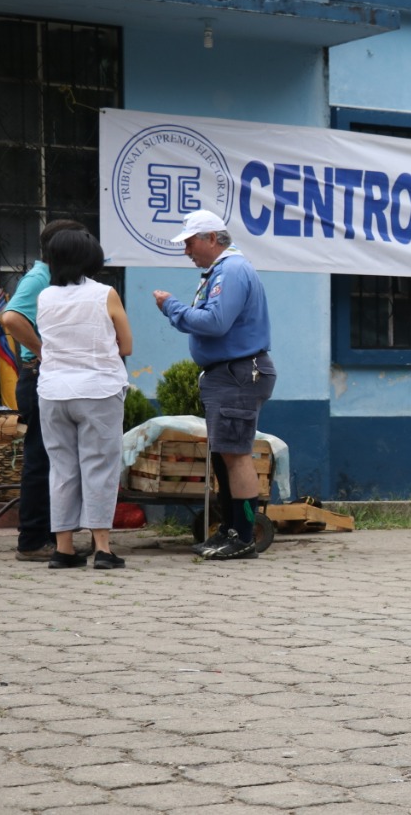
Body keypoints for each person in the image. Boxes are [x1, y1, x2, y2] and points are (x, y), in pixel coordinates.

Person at [153, 209, 276, 561]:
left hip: (237, 373)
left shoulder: (232, 270)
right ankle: (232, 528)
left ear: (210, 238)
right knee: (227, 456)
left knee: (236, 456)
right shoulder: (221, 271)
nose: (186, 250)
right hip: (229, 373)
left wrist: (171, 307)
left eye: (189, 242)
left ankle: (244, 535)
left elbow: (216, 322)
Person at [37, 229, 132, 569]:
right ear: (91, 259)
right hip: (98, 390)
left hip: (52, 392)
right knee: (99, 467)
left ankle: (63, 549)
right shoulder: (105, 294)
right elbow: (126, 346)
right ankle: (103, 549)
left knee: (61, 469)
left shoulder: (45, 297)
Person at [1, 218, 89, 561]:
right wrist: (43, 351)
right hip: (38, 375)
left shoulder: (58, 277)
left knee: (57, 458)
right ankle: (33, 539)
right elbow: (10, 318)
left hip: (54, 375)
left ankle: (55, 535)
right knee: (40, 458)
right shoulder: (39, 277)